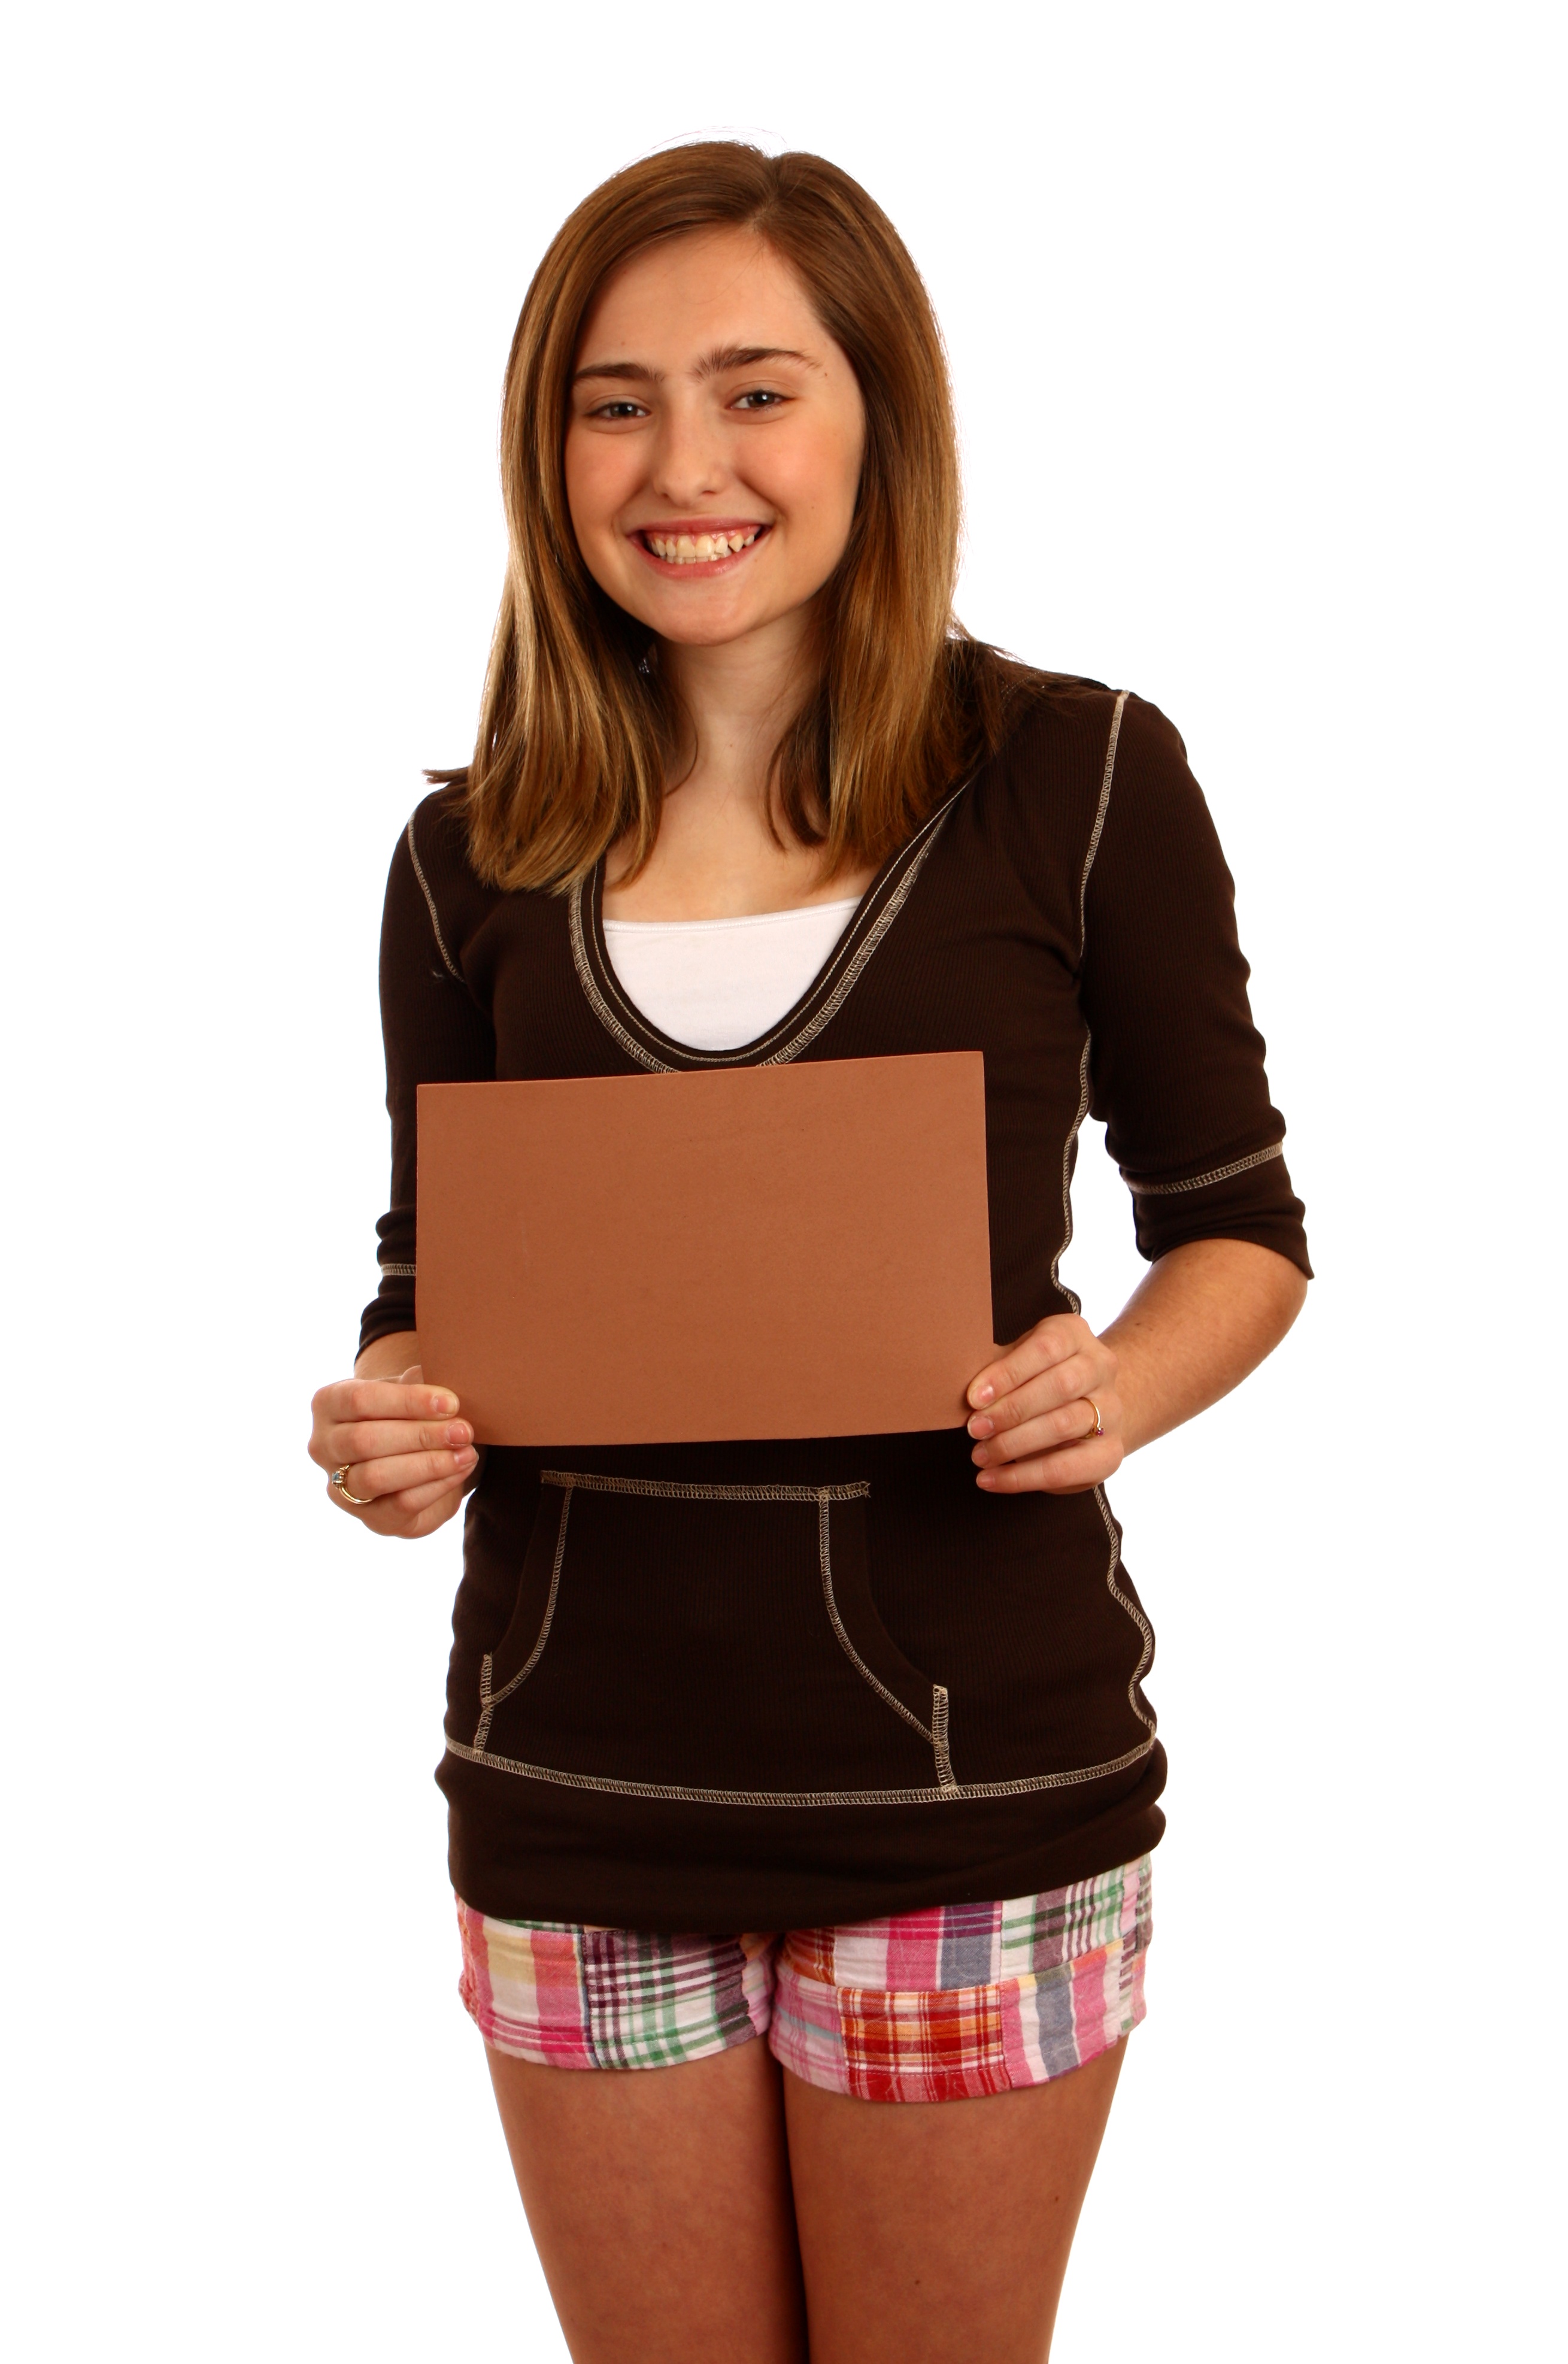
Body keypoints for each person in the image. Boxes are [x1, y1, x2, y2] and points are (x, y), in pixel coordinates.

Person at [307, 142, 1310, 2364]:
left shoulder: (1078, 777)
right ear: (546, 447)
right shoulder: (465, 858)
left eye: (754, 390)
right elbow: (430, 1272)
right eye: (613, 400)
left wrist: (1119, 1381)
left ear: (877, 417)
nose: (683, 466)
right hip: (575, 1790)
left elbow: (1235, 1229)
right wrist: (393, 1413)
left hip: (969, 1785)